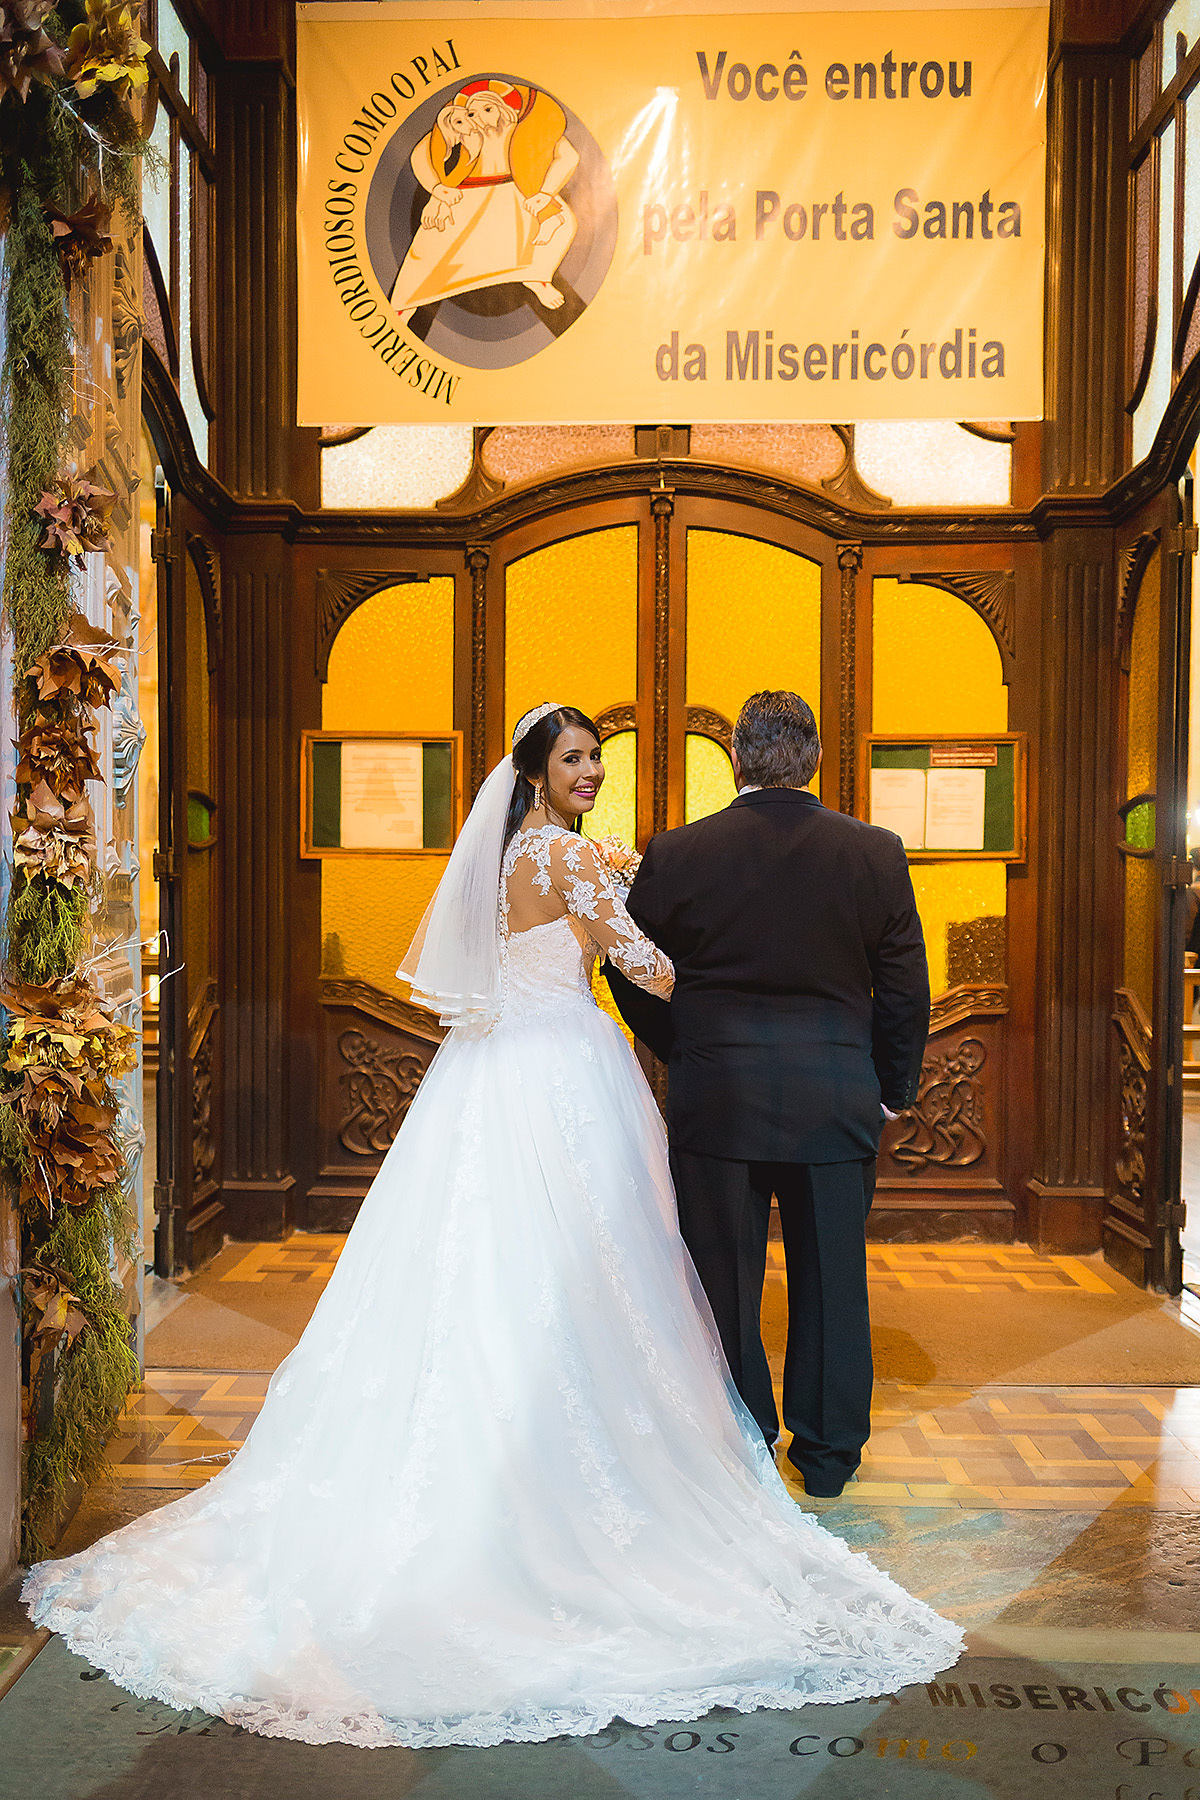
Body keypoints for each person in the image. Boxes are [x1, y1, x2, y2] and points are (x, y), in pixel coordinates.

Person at [24, 702, 959, 1750]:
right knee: (643, 1268)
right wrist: (846, 1055)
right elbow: (682, 967)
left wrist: (713, 1038)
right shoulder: (634, 859)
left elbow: (588, 975)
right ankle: (787, 1453)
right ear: (539, 773)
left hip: (513, 1077)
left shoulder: (543, 857)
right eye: (577, 759)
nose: (593, 772)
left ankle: (643, 1430)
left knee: (519, 1262)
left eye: (596, 757)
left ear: (740, 756)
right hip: (634, 1078)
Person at [606, 691, 929, 1500]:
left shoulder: (678, 852)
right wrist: (890, 1089)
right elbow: (904, 988)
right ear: (814, 757)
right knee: (832, 1279)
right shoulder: (874, 851)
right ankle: (826, 1458)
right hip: (835, 1096)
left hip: (719, 1096)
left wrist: (687, 1049)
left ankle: (740, 1446)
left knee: (722, 1277)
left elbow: (628, 967)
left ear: (738, 761)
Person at [390, 80, 579, 323]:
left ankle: (537, 277)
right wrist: (437, 190)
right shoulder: (465, 132)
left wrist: (545, 193)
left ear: (502, 108)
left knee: (561, 225)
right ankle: (404, 306)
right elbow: (421, 154)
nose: (479, 118)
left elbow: (568, 156)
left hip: (518, 192)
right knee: (428, 249)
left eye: (487, 110)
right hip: (468, 196)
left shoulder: (527, 129)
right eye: (471, 113)